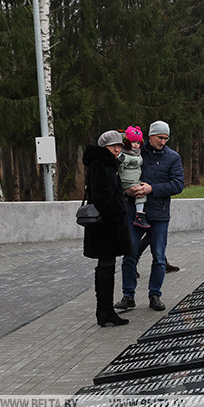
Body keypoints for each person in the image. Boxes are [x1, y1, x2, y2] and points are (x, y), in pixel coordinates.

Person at [115, 120, 184, 311]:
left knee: (159, 257)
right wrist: (127, 191)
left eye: (166, 138)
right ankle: (128, 295)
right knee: (129, 254)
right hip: (133, 213)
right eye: (160, 138)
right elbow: (120, 175)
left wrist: (152, 188)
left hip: (159, 214)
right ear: (150, 136)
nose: (163, 141)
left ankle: (155, 295)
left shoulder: (173, 157)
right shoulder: (135, 152)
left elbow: (178, 184)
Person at [82, 130, 135, 326]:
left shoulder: (106, 164)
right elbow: (102, 197)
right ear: (104, 147)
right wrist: (117, 214)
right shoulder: (101, 165)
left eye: (119, 145)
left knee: (107, 267)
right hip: (105, 227)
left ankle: (105, 311)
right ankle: (104, 312)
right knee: (105, 268)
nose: (117, 148)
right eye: (113, 146)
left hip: (106, 226)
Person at [118, 126, 150, 229]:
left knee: (141, 191)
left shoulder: (138, 154)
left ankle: (139, 214)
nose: (135, 145)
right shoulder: (123, 154)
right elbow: (119, 166)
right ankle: (139, 215)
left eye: (138, 143)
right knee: (140, 193)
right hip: (126, 180)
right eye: (133, 142)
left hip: (135, 180)